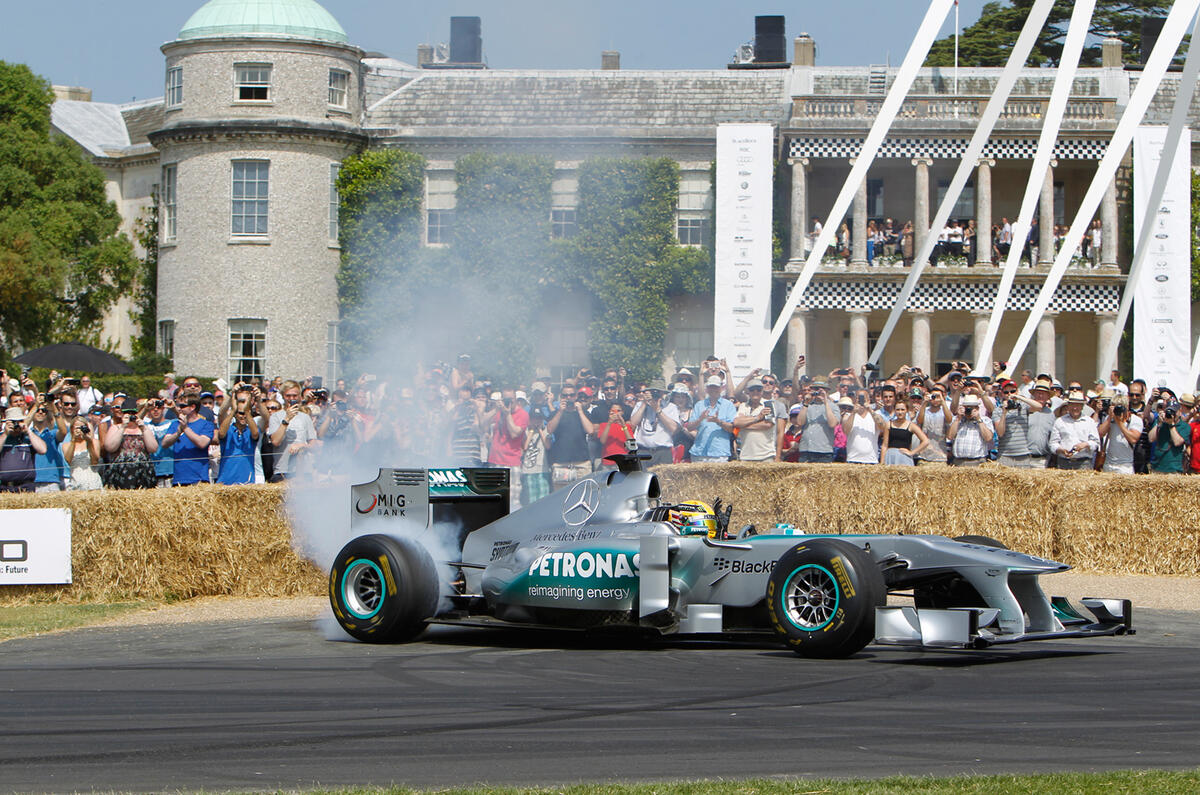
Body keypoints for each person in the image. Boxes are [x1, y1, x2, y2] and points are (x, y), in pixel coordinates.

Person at [101, 398, 158, 489]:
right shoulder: (116, 428)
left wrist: (143, 428)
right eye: (127, 413)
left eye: (133, 413)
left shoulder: (143, 428)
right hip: (120, 472)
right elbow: (110, 448)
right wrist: (123, 427)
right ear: (122, 414)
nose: (131, 415)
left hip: (142, 472)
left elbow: (153, 448)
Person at [266, 381, 318, 481]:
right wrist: (286, 420)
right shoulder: (275, 416)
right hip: (282, 470)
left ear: (299, 396)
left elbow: (314, 445)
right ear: (282, 396)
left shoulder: (305, 418)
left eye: (294, 396)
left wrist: (302, 446)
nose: (291, 399)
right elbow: (276, 442)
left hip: (303, 471)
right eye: (288, 396)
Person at [546, 383, 595, 488]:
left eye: (571, 395)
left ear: (576, 396)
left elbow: (590, 430)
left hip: (581, 463)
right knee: (561, 497)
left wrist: (580, 411)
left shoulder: (584, 412)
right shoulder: (555, 413)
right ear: (561, 397)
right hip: (561, 463)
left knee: (583, 495)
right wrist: (560, 411)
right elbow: (550, 430)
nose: (568, 398)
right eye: (565, 396)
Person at [164, 394, 215, 486]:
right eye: (179, 406)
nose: (179, 409)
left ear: (192, 407)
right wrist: (178, 433)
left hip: (199, 479)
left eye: (183, 406)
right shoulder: (175, 424)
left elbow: (202, 443)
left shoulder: (206, 424)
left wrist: (185, 428)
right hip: (178, 480)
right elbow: (165, 443)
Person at [993, 379, 1044, 468]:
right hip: (1005, 455)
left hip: (1023, 454)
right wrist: (1004, 413)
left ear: (1017, 391)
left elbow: (1039, 407)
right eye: (1006, 392)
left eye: (1012, 391)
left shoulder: (1023, 406)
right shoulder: (998, 410)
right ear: (1002, 393)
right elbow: (1000, 433)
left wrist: (1020, 397)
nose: (1009, 394)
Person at [686, 375, 737, 462]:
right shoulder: (699, 405)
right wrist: (700, 419)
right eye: (711, 387)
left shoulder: (728, 405)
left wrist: (718, 421)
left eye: (716, 387)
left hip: (719, 454)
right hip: (699, 453)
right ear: (707, 389)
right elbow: (689, 427)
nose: (713, 389)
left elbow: (732, 429)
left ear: (721, 388)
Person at [630, 380, 679, 468]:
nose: (655, 394)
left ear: (663, 393)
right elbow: (633, 423)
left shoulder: (671, 407)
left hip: (663, 452)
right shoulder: (640, 405)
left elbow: (674, 429)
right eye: (653, 391)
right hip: (643, 451)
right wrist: (644, 404)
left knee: (663, 481)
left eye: (658, 392)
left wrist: (658, 410)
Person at [217, 390, 259, 484]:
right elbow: (221, 433)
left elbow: (255, 434)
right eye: (240, 413)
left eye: (245, 414)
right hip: (225, 481)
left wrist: (247, 411)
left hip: (247, 482)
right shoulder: (228, 428)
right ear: (236, 414)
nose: (242, 416)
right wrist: (233, 411)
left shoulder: (251, 429)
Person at [1049, 391, 1099, 470]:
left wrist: (1085, 444)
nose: (1075, 408)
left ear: (1082, 406)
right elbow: (1053, 443)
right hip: (1063, 462)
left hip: (1084, 463)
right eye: (1072, 405)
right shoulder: (1060, 421)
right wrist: (1061, 449)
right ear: (1068, 406)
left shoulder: (1089, 421)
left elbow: (1096, 443)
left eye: (1078, 405)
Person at [0, 405, 46, 492]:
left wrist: (28, 431)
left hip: (26, 486)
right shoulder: (2, 436)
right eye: (13, 422)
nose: (16, 425)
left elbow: (43, 450)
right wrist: (6, 434)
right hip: (5, 486)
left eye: (19, 421)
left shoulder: (28, 437)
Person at [792, 379, 838, 463]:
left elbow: (832, 424)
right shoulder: (806, 405)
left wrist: (826, 403)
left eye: (821, 389)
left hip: (824, 452)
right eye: (816, 389)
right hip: (806, 450)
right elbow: (800, 422)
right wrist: (806, 403)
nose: (818, 391)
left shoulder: (833, 406)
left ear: (827, 391)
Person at [733, 378, 777, 462]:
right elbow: (736, 423)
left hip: (766, 455)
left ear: (762, 391)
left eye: (758, 390)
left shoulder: (768, 404)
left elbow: (767, 425)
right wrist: (758, 418)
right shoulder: (743, 406)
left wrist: (744, 425)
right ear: (748, 392)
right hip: (746, 455)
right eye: (752, 390)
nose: (755, 392)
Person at [1097, 394, 1142, 475]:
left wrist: (1119, 422)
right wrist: (1109, 418)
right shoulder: (1109, 418)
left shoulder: (1135, 420)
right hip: (1109, 464)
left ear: (1127, 407)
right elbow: (1100, 434)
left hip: (1125, 466)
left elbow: (1133, 439)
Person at [62, 404, 102, 490]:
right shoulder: (66, 445)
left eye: (82, 427)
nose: (80, 430)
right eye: (77, 427)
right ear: (72, 429)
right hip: (75, 482)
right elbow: (68, 460)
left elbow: (95, 461)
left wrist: (89, 441)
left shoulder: (94, 442)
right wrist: (73, 440)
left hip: (93, 482)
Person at [947, 394, 994, 467]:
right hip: (958, 461)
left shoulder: (985, 420)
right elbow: (950, 436)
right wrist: (958, 418)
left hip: (977, 461)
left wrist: (978, 419)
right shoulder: (957, 420)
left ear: (977, 408)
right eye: (967, 407)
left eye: (971, 408)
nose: (969, 410)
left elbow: (988, 438)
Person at [879, 398, 928, 466]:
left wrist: (912, 452)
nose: (900, 412)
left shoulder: (911, 425)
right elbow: (884, 445)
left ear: (906, 410)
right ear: (894, 410)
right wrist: (882, 462)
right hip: (890, 457)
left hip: (904, 458)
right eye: (898, 410)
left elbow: (925, 441)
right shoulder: (889, 424)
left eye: (902, 410)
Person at [842, 390, 885, 464]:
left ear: (868, 400)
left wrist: (870, 410)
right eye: (858, 398)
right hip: (853, 459)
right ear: (855, 400)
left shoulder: (876, 415)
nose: (861, 401)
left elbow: (882, 427)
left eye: (863, 398)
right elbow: (846, 430)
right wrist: (854, 412)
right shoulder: (848, 416)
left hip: (871, 460)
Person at [1149, 395, 1189, 474]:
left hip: (1173, 469)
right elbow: (1151, 439)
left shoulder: (1185, 426)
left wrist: (1171, 425)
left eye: (1174, 411)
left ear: (1180, 412)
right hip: (1157, 468)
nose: (1172, 414)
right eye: (1169, 411)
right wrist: (1159, 424)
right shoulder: (1160, 422)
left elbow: (1177, 442)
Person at [519, 411, 551, 505]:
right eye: (534, 419)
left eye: (539, 419)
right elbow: (524, 447)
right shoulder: (525, 431)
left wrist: (540, 430)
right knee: (531, 499)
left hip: (543, 469)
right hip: (528, 471)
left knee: (543, 498)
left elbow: (548, 446)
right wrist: (531, 431)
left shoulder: (546, 431)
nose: (536, 421)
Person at [916, 386, 950, 464]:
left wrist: (942, 401)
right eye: (934, 396)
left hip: (941, 455)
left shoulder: (944, 411)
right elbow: (919, 420)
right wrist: (924, 403)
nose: (935, 400)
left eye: (937, 396)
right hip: (924, 455)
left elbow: (949, 419)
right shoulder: (924, 410)